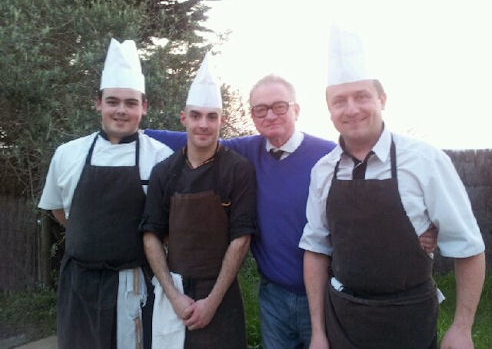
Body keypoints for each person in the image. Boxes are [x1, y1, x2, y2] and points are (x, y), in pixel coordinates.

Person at [145, 74, 437, 348]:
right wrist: (135, 127)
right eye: (260, 109)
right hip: (273, 296)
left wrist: (419, 225)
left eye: (279, 107)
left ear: (296, 110)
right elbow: (197, 138)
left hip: (326, 294)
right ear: (252, 117)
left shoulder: (329, 156)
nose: (270, 115)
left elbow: (376, 191)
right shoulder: (248, 151)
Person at [299, 26, 486, 349]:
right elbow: (316, 249)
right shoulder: (323, 171)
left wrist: (462, 327)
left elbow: (468, 246)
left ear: (382, 99)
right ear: (328, 109)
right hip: (342, 318)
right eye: (339, 100)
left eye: (362, 96)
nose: (352, 108)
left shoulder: (425, 161)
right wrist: (318, 331)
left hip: (408, 319)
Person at [38, 39, 173, 349]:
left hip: (135, 286)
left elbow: (169, 226)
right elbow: (60, 212)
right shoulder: (67, 154)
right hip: (79, 287)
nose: (121, 111)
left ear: (144, 106)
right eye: (113, 101)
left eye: (130, 102)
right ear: (98, 103)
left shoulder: (162, 159)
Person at [141, 53, 256, 349]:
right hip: (174, 292)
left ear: (222, 120)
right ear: (184, 118)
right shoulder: (164, 171)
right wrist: (173, 296)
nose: (203, 124)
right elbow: (151, 234)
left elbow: (241, 239)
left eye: (211, 116)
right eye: (196, 115)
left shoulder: (237, 169)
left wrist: (212, 302)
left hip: (222, 294)